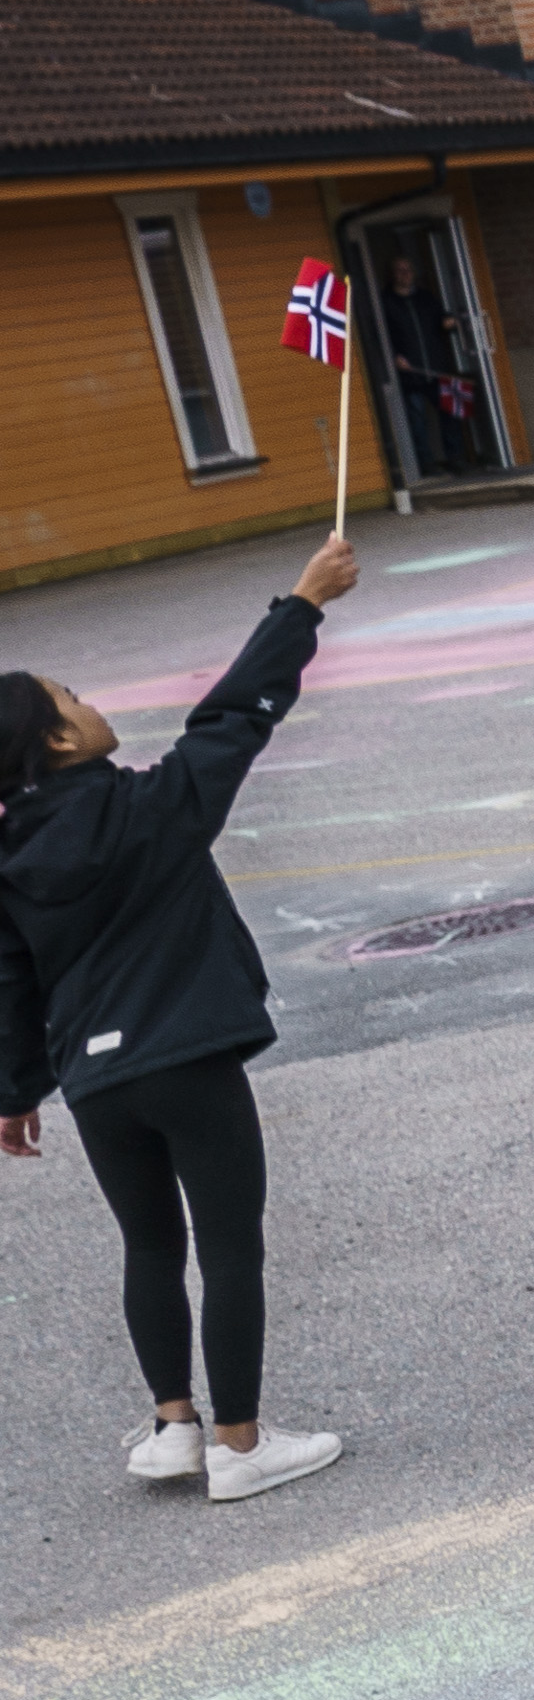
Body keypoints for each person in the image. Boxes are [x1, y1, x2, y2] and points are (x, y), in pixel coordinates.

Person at [0, 530, 360, 1501]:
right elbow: (234, 715)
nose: (89, 699)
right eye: (72, 697)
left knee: (151, 1243)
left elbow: (11, 980)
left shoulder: (10, 859)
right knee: (231, 1240)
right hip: (189, 1057)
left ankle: (175, 1425)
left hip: (97, 1084)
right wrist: (303, 603)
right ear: (60, 743)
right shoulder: (155, 808)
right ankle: (242, 1445)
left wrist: (13, 1090)